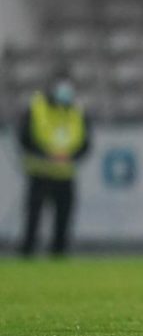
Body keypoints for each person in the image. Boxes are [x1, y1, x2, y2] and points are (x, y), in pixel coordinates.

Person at [17, 67, 90, 257]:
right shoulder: (37, 107)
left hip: (65, 174)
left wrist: (70, 157)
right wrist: (46, 154)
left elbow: (86, 143)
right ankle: (28, 253)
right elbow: (25, 138)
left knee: (63, 221)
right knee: (33, 219)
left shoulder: (77, 110)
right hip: (39, 172)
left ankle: (59, 254)